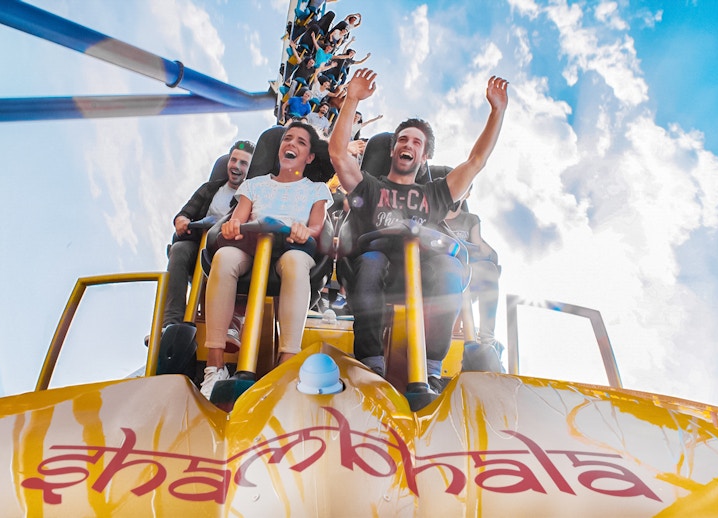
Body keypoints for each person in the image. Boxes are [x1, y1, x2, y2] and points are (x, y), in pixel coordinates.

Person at [328, 68, 508, 391]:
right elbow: (339, 155)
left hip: (422, 279)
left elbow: (476, 161)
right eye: (401, 140)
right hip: (380, 273)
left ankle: (430, 370)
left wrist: (497, 112)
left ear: (423, 156)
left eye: (415, 142)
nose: (406, 145)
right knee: (369, 262)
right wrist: (352, 98)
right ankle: (371, 366)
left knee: (450, 265)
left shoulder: (435, 194)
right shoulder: (370, 188)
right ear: (394, 150)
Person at [201, 122, 334, 399]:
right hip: (252, 244)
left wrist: (304, 231)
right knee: (224, 257)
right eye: (287, 139)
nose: (291, 145)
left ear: (309, 157)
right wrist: (233, 226)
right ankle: (214, 366)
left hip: (291, 246)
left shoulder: (316, 189)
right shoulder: (254, 185)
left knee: (296, 262)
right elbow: (238, 217)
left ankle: (286, 367)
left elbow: (316, 227)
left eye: (300, 142)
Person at [162, 141, 255, 331]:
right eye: (233, 160)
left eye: (243, 163)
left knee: (231, 259)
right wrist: (181, 220)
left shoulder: (250, 196)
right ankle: (171, 323)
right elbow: (185, 213)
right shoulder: (210, 189)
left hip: (231, 249)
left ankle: (233, 324)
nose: (236, 166)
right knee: (179, 249)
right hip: (201, 247)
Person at [442, 187, 504, 359]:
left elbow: (478, 245)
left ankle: (487, 337)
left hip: (468, 267)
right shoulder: (436, 216)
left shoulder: (470, 220)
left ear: (467, 195)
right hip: (445, 266)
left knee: (488, 270)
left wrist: (491, 254)